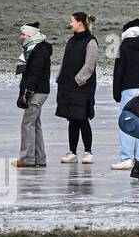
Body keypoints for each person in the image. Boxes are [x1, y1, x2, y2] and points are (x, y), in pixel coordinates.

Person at [110, 18, 139, 171]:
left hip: (128, 90)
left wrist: (116, 93)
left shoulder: (123, 48)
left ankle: (126, 158)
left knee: (127, 125)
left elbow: (118, 72)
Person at [55, 12, 99, 164]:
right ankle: (72, 152)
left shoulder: (91, 41)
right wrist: (59, 77)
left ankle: (88, 152)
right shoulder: (71, 40)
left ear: (80, 22)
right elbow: (65, 61)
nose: (70, 23)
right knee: (72, 119)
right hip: (68, 86)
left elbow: (89, 65)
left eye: (72, 21)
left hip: (83, 87)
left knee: (82, 119)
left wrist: (78, 80)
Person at [13, 22, 51, 168]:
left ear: (30, 35)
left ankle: (27, 159)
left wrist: (27, 93)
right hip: (38, 91)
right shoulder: (32, 48)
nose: (21, 37)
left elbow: (34, 74)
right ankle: (40, 159)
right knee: (35, 124)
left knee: (27, 124)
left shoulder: (38, 51)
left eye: (24, 35)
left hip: (37, 92)